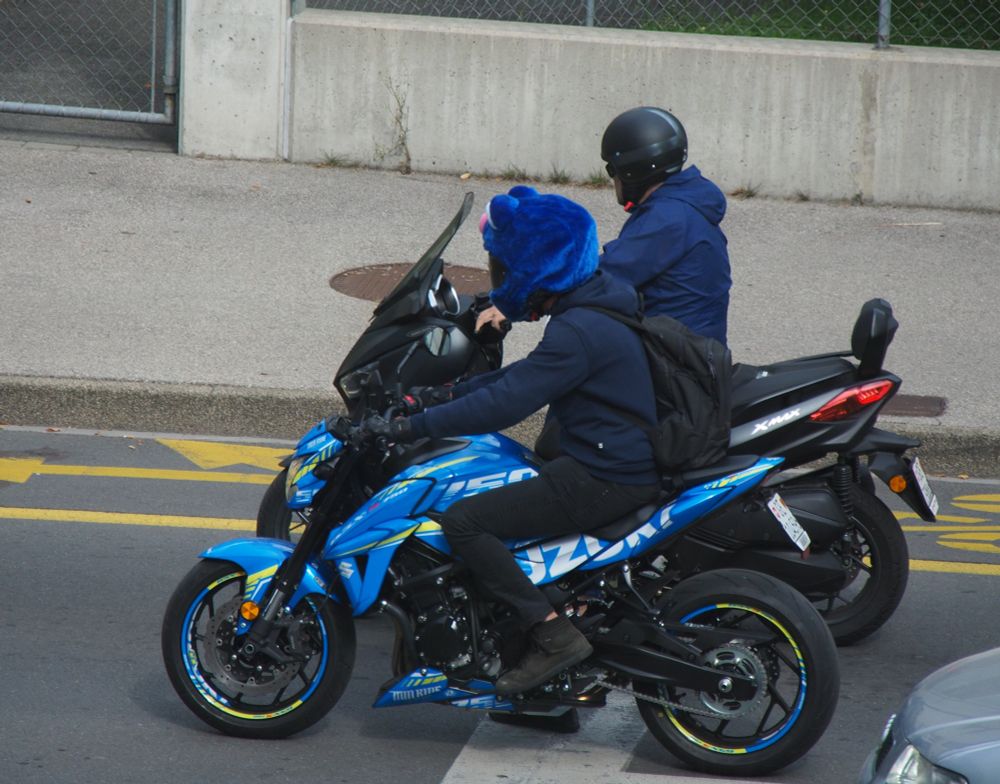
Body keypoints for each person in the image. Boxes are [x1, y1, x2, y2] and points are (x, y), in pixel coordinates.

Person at [366, 186, 660, 697]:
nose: (498, 279)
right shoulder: (594, 301)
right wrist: (436, 397)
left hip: (604, 477)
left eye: (502, 268)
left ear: (534, 271)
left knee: (465, 521)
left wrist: (409, 427)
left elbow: (507, 404)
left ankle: (552, 636)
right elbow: (525, 377)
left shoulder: (579, 330)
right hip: (610, 462)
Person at [478, 106, 731, 347]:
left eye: (613, 169)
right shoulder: (683, 204)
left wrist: (515, 298)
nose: (613, 178)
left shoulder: (670, 219)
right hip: (681, 350)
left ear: (631, 171)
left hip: (674, 370)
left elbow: (598, 277)